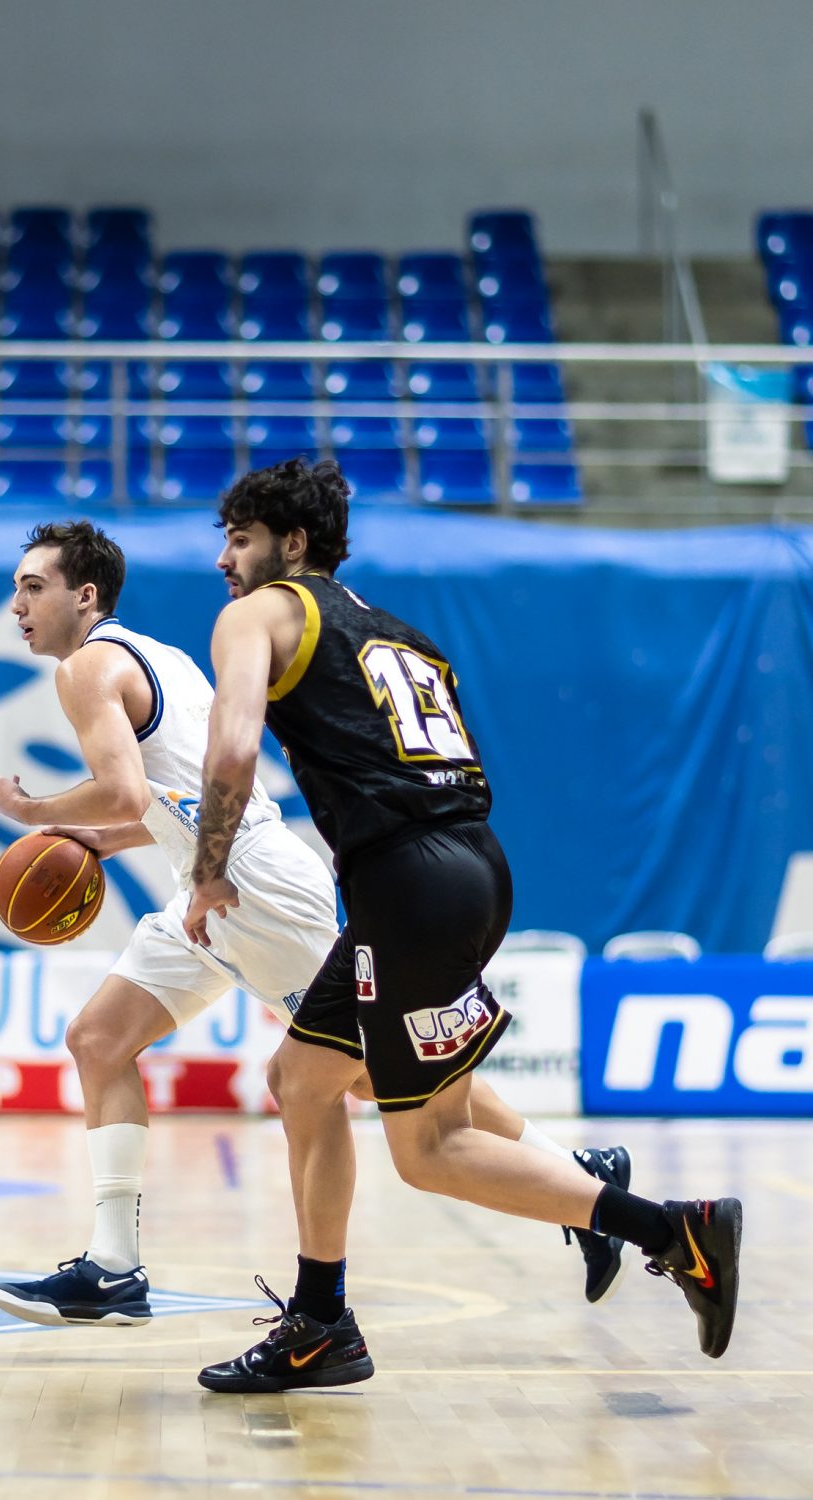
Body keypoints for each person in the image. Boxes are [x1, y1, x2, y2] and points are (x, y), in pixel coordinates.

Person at [0, 520, 630, 1330]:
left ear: (85, 595)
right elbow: (177, 802)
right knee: (98, 1039)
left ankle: (579, 1177)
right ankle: (113, 1268)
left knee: (373, 1076)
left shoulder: (84, 669)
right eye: (15, 590)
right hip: (212, 879)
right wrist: (108, 843)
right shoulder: (160, 657)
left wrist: (27, 810)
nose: (18, 605)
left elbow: (123, 791)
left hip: (252, 889)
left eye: (32, 587)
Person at [183, 457, 742, 1391]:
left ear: (293, 543)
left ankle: (673, 1232)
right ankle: (321, 1323)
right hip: (465, 866)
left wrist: (208, 873)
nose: (224, 561)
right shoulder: (402, 635)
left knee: (430, 1149)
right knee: (303, 1080)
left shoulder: (257, 614)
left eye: (239, 539)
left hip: (409, 884)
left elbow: (234, 748)